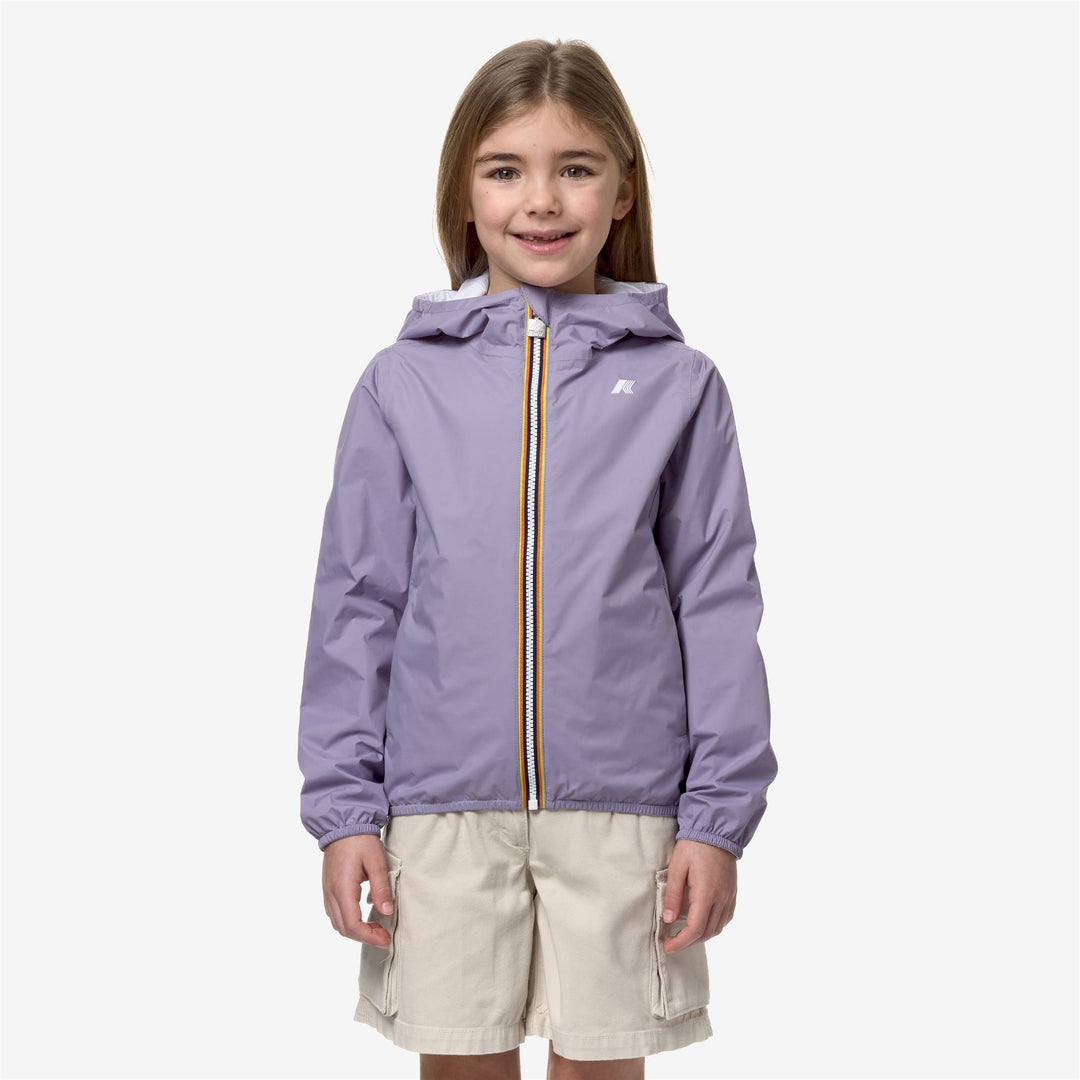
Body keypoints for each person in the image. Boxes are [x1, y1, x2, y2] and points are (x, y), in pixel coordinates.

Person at [297, 36, 778, 1080]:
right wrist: (344, 809)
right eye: (505, 169)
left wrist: (715, 820)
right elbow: (357, 602)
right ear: (463, 195)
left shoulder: (680, 386)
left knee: (603, 1064)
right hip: (440, 809)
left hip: (626, 812)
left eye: (577, 167)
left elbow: (716, 603)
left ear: (622, 191)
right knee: (460, 1063)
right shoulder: (400, 384)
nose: (542, 200)